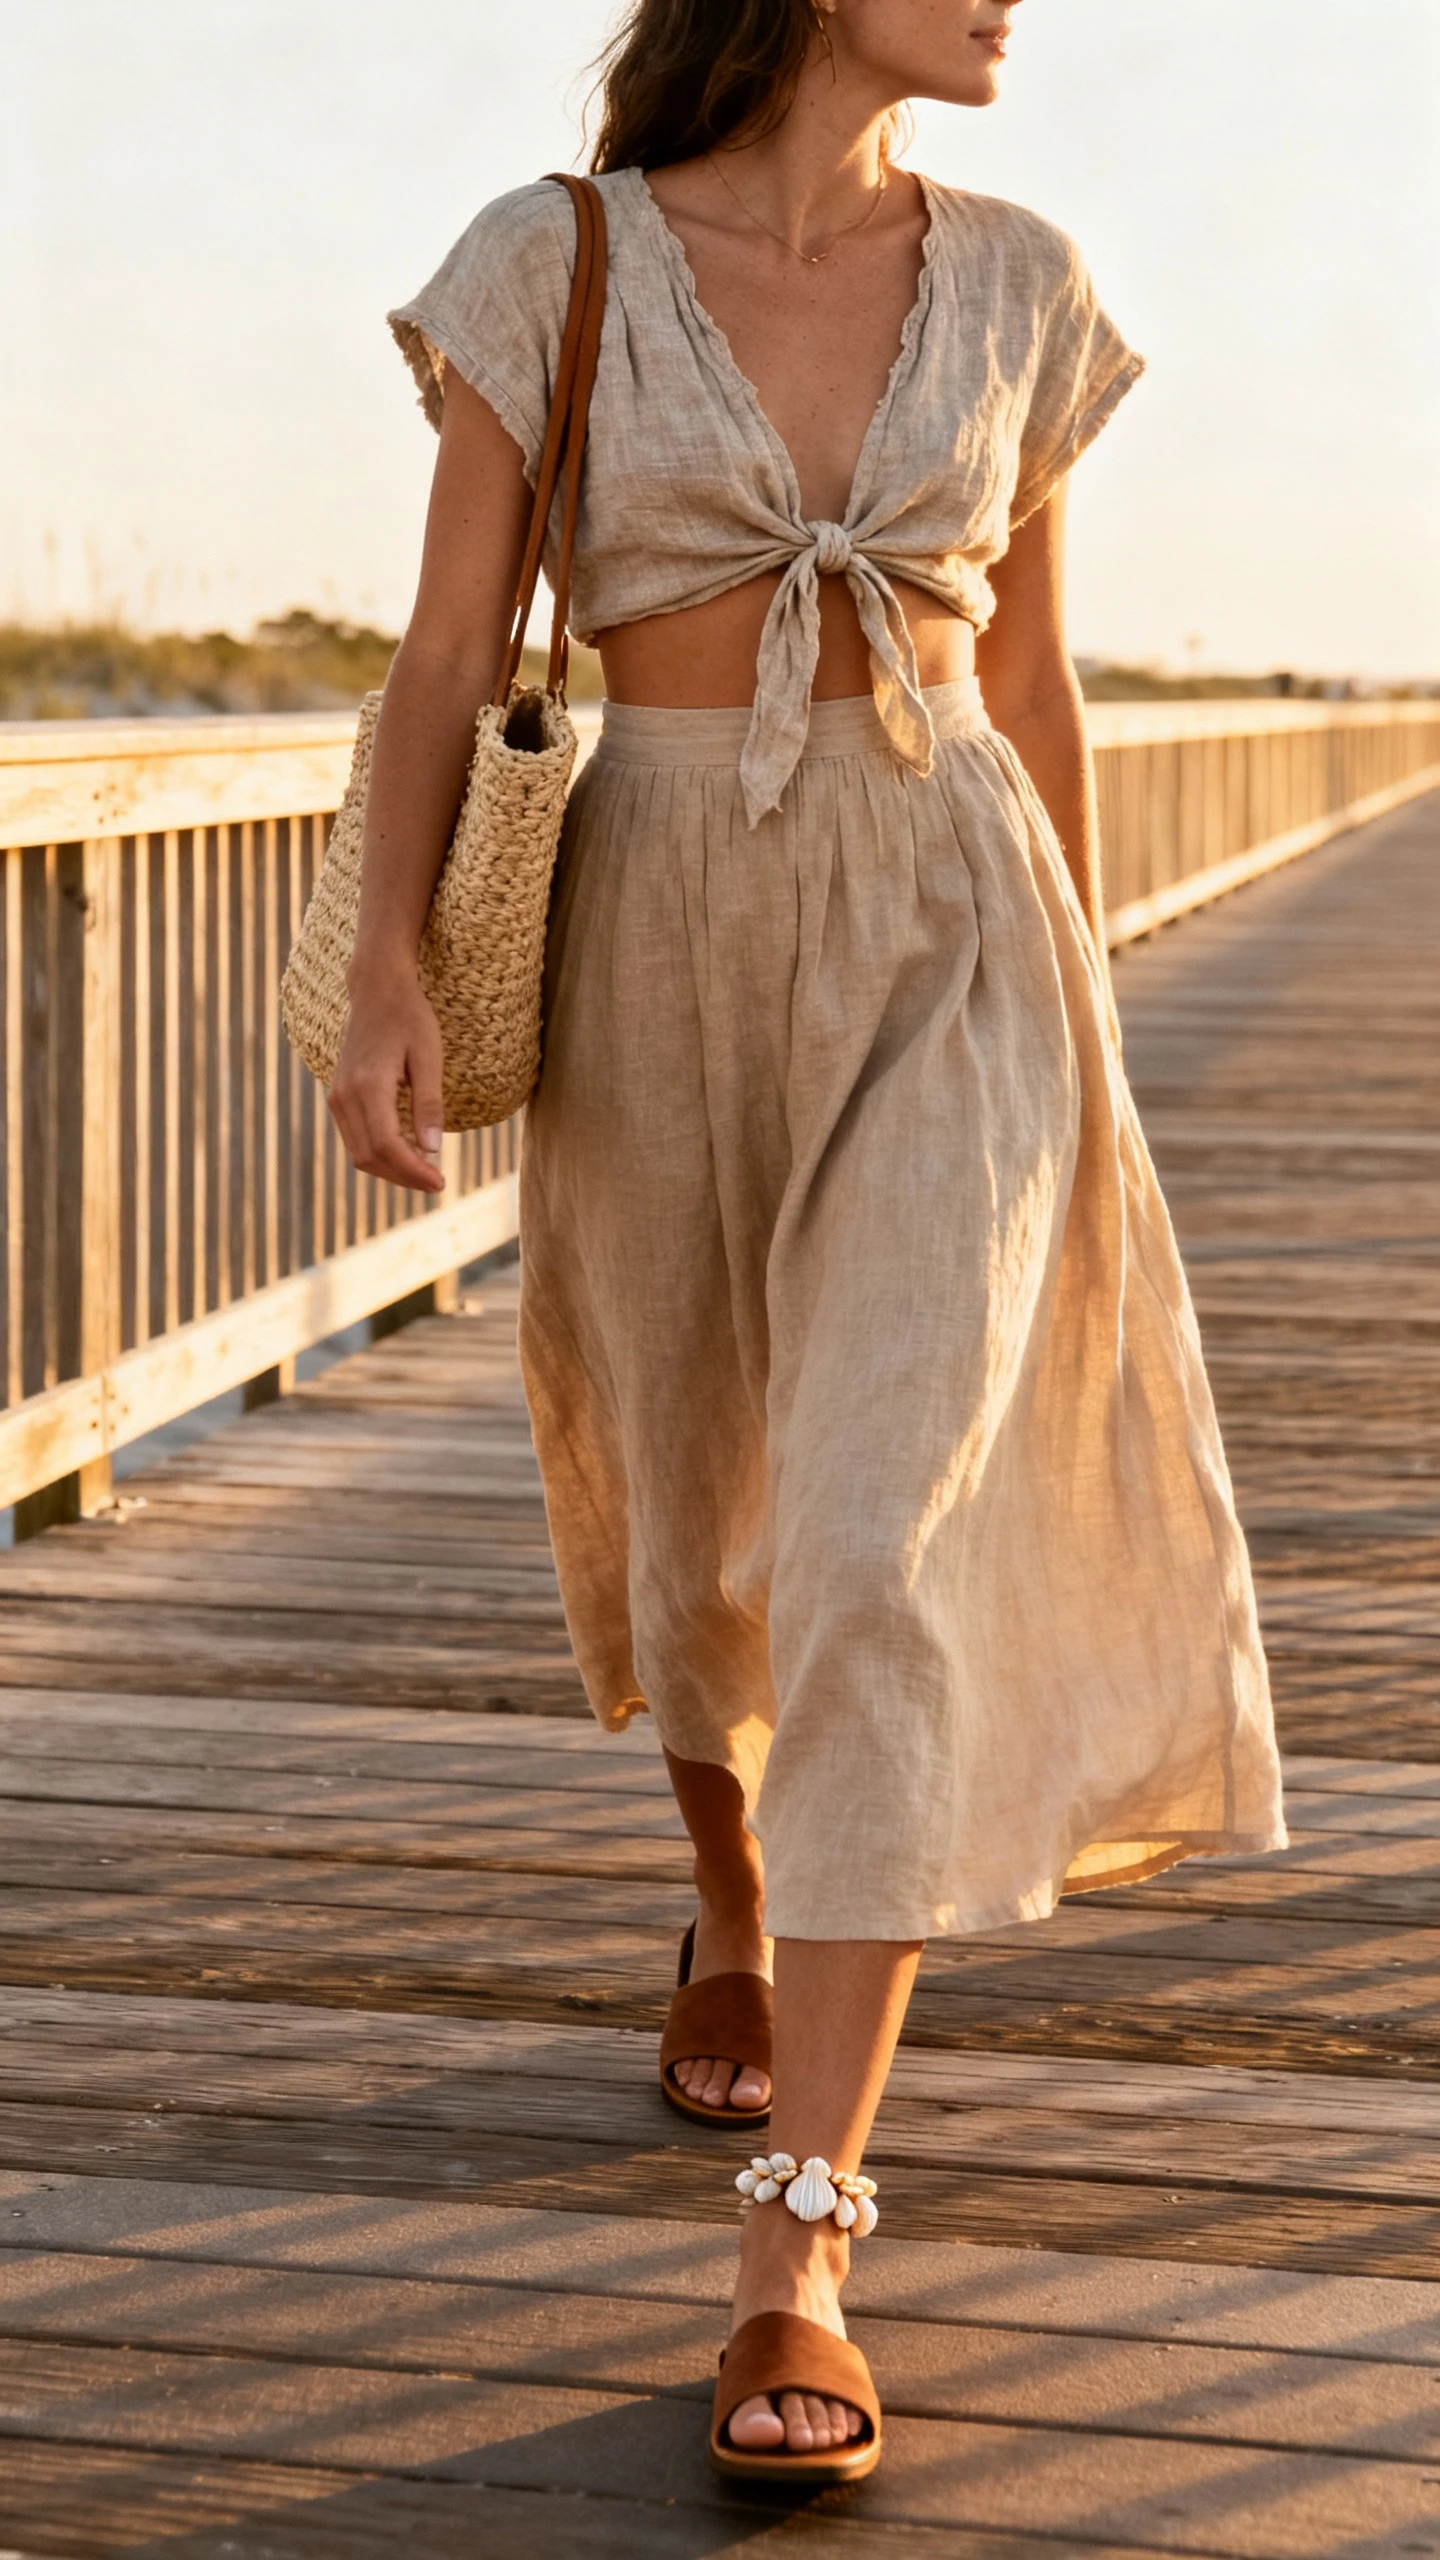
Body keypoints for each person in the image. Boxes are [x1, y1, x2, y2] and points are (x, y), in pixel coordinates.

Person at [328, 0, 1286, 2484]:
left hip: (950, 935)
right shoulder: (548, 263)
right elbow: (441, 658)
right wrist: (385, 976)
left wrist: (1086, 1017)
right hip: (649, 925)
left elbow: (1040, 683)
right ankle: (731, 1895)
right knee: (696, 1490)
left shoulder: (1027, 282)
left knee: (879, 1532)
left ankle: (799, 2234)